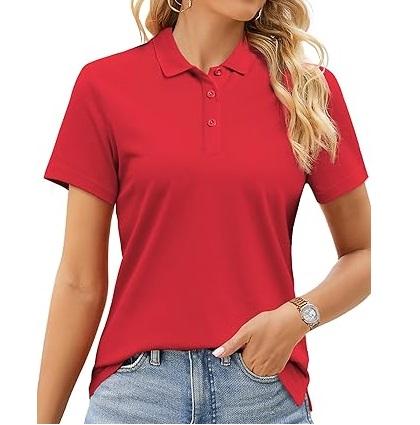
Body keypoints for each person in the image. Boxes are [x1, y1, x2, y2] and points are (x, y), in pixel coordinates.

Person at [37, 0, 371, 423]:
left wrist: (298, 317)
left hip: (262, 395)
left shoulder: (306, 91)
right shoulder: (105, 85)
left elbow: (367, 254)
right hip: (137, 399)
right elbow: (79, 281)